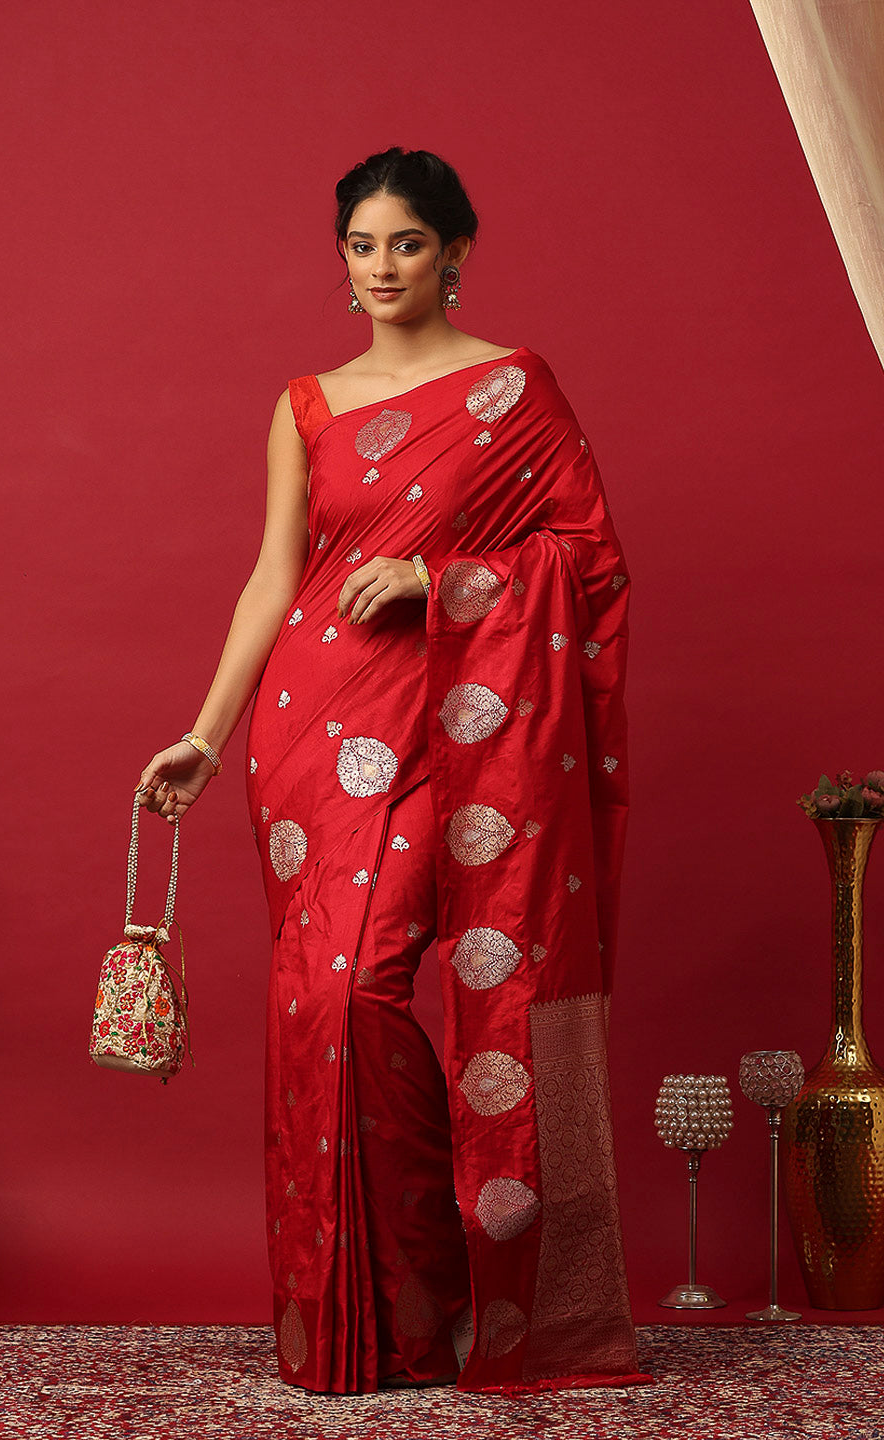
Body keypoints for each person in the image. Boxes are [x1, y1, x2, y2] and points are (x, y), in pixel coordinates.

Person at [137, 146, 650, 1397]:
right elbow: (275, 576)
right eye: (360, 246)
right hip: (311, 725)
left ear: (456, 252)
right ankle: (379, 1322)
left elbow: (588, 561)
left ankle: (468, 1281)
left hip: (458, 720)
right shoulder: (307, 403)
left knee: (361, 989)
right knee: (322, 1005)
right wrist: (207, 733)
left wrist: (442, 579)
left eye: (406, 244)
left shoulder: (514, 388)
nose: (380, 268)